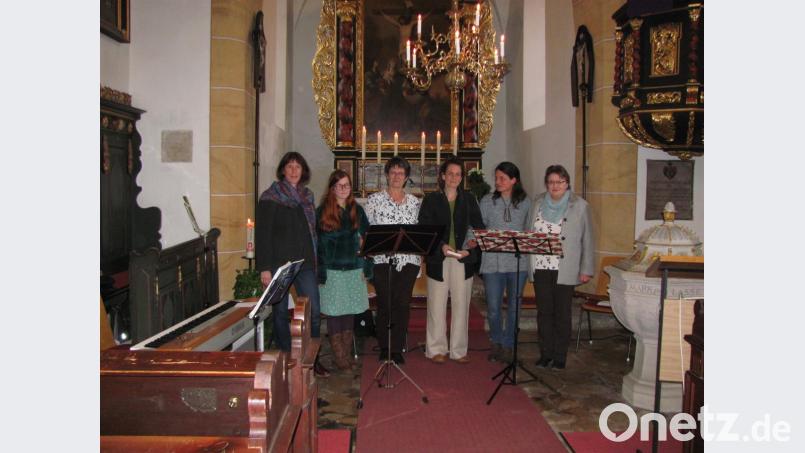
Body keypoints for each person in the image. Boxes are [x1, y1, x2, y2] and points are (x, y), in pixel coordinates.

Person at [256, 151, 329, 377]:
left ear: (303, 171)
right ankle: (287, 359)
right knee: (279, 313)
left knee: (314, 311)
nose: (294, 171)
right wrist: (265, 268)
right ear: (283, 170)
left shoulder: (307, 196)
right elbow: (263, 235)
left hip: (305, 263)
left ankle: (311, 358)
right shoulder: (270, 197)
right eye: (290, 166)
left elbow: (311, 232)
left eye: (298, 167)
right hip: (280, 265)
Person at [528, 165, 595, 370]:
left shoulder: (580, 206)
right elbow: (528, 231)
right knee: (544, 312)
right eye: (551, 182)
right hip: (540, 265)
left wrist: (586, 269)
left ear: (567, 183)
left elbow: (588, 240)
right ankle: (545, 353)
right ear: (546, 183)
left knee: (562, 314)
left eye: (559, 182)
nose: (555, 186)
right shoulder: (537, 202)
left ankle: (559, 356)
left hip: (565, 267)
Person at [418, 157, 484, 364]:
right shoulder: (431, 200)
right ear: (443, 176)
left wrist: (471, 244)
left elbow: (478, 226)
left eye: (458, 174)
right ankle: (436, 348)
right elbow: (425, 228)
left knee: (461, 305)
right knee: (436, 305)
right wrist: (441, 246)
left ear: (461, 177)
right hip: (439, 258)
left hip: (463, 258)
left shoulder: (469, 199)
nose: (454, 177)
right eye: (450, 173)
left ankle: (458, 350)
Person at [364, 157, 421, 365]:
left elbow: (418, 233)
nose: (397, 176)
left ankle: (396, 348)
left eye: (401, 173)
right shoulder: (374, 201)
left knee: (402, 304)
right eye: (393, 172)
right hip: (382, 260)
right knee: (385, 302)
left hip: (408, 260)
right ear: (387, 175)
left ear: (406, 177)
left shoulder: (415, 203)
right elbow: (367, 230)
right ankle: (385, 346)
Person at [316, 170, 372, 371]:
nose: (343, 189)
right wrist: (320, 272)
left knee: (349, 311)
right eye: (339, 185)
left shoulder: (358, 210)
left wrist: (367, 266)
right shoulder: (322, 211)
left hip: (354, 269)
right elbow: (318, 247)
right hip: (332, 270)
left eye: (346, 185)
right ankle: (339, 356)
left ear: (350, 188)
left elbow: (368, 241)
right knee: (334, 313)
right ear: (332, 188)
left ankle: (346, 354)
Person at [477, 162, 531, 363]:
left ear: (514, 180)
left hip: (518, 263)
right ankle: (496, 341)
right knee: (493, 306)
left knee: (515, 306)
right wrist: (471, 240)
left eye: (502, 178)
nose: (498, 182)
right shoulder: (487, 200)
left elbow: (529, 230)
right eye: (496, 177)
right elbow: (477, 226)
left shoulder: (526, 202)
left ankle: (509, 344)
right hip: (493, 263)